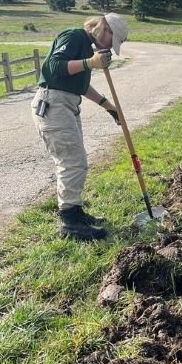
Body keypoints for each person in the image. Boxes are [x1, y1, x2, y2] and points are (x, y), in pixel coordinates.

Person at [32, 13, 129, 241]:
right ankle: (71, 225)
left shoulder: (87, 47)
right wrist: (91, 62)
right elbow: (55, 66)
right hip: (53, 103)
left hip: (67, 103)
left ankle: (75, 212)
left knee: (76, 160)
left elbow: (80, 85)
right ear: (105, 29)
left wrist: (109, 106)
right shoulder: (74, 36)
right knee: (72, 161)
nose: (108, 48)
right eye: (111, 42)